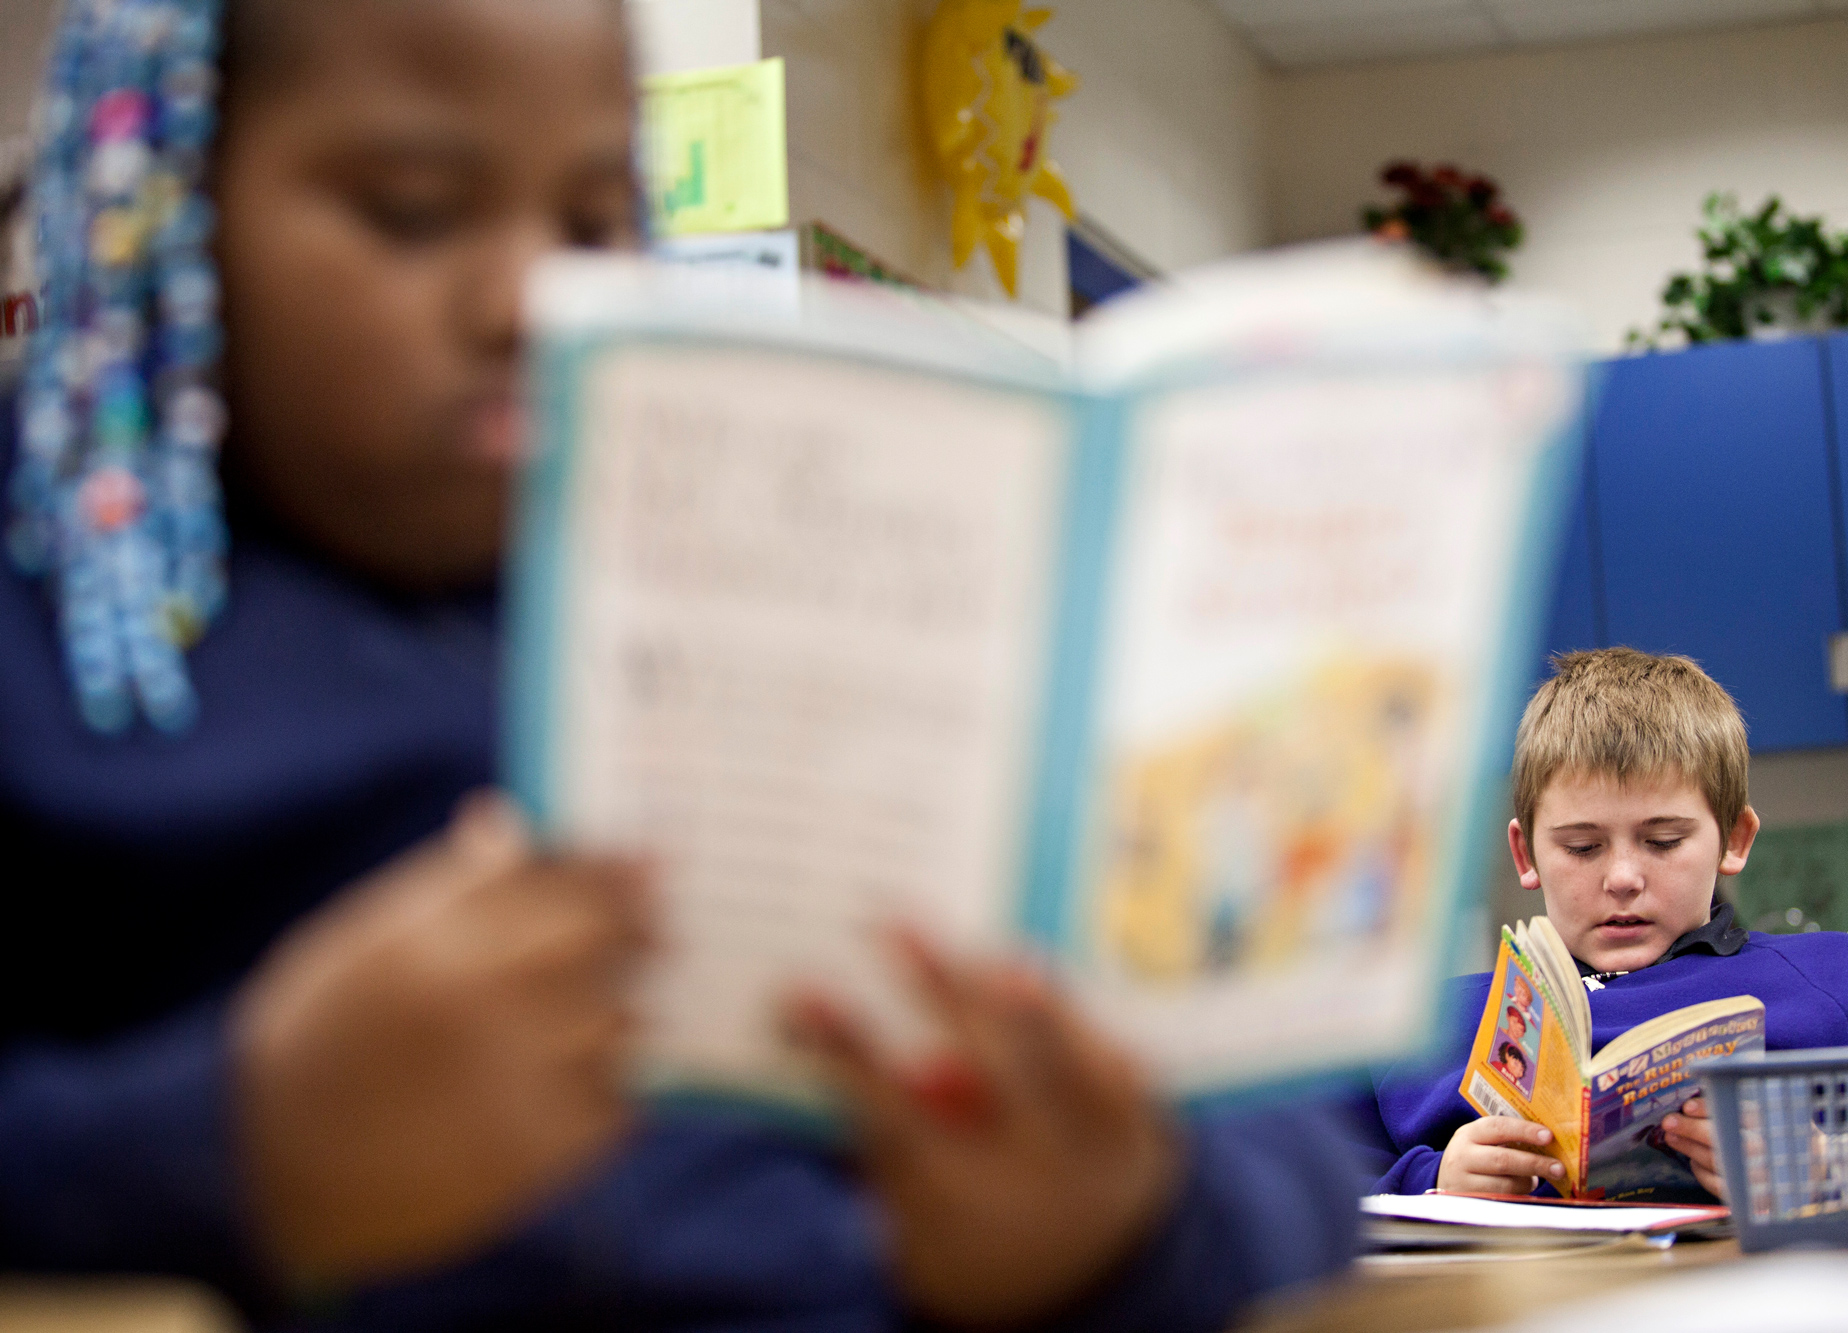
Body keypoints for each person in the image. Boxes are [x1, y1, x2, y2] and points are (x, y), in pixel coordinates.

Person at [0, 1, 1359, 1329]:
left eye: (597, 223)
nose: (531, 296)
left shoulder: (777, 604)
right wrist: (229, 1147)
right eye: (412, 206)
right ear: (162, 200)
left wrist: (1120, 1222)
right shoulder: (48, 638)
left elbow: (1298, 1145)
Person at [1344, 648, 1848, 1201]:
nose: (1623, 878)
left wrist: (1827, 1166)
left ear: (1733, 841)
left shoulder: (1840, 975)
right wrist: (1432, 1182)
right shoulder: (1421, 1021)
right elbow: (1306, 1191)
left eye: (1662, 841)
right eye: (1582, 848)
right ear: (1526, 855)